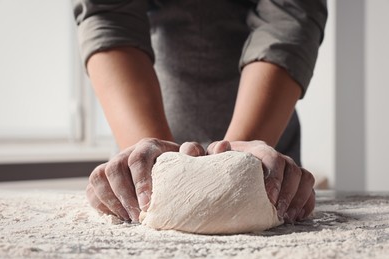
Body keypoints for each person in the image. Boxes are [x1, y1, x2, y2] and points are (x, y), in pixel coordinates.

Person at [72, 0, 327, 224]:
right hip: (145, 121)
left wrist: (240, 162)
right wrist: (154, 165)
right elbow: (108, 13)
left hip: (265, 149)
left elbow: (288, 14)